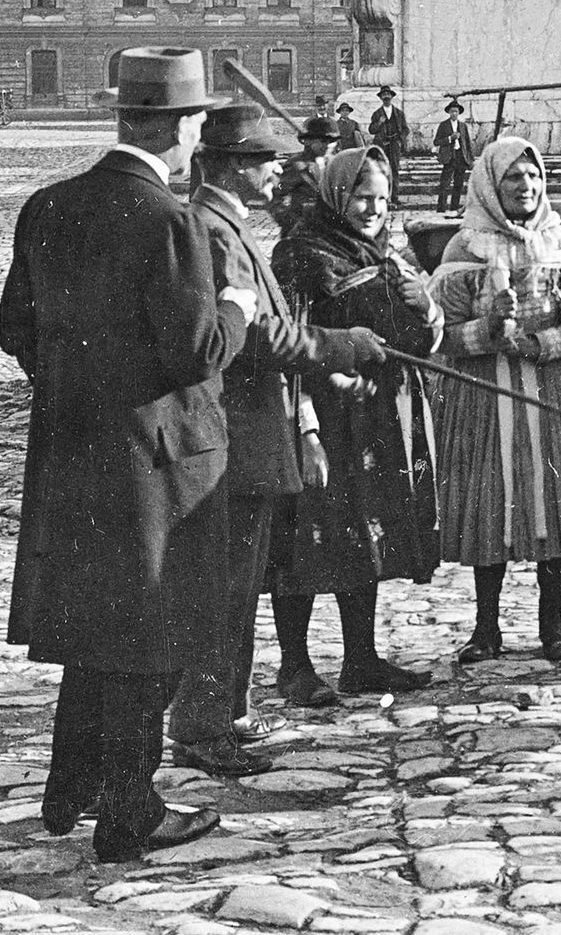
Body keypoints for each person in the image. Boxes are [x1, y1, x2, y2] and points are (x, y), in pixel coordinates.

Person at [0, 46, 256, 863]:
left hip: (71, 455)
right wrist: (239, 304)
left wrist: (75, 380)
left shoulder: (48, 205)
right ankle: (128, 809)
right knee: (151, 634)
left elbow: (15, 329)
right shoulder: (169, 219)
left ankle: (71, 781)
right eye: (197, 122)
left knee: (92, 624)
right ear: (179, 127)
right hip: (157, 466)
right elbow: (196, 352)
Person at [168, 105, 390, 776]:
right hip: (236, 438)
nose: (278, 170)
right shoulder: (214, 231)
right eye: (266, 159)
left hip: (257, 437)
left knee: (240, 588)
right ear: (235, 167)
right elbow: (257, 339)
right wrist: (340, 344)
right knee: (222, 592)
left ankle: (228, 713)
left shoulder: (232, 226)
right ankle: (203, 727)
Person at [429, 138, 561, 664]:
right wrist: (488, 328)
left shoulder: (559, 241)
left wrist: (540, 343)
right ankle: (485, 628)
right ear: (490, 187)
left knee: (553, 502)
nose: (526, 187)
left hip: (551, 389)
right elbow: (442, 333)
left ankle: (553, 624)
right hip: (485, 397)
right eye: (513, 179)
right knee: (490, 506)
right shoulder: (464, 249)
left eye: (533, 177)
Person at [267, 145, 442, 706]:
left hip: (372, 419)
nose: (373, 209)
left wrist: (427, 306)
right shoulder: (301, 255)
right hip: (322, 421)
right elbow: (287, 350)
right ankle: (294, 666)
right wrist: (306, 428)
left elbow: (415, 338)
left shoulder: (385, 253)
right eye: (363, 197)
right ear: (338, 194)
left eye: (382, 200)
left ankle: (360, 660)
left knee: (362, 536)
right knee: (304, 539)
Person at [272, 116, 339, 237]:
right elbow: (275, 197)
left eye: (332, 141)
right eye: (323, 141)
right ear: (309, 141)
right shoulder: (296, 165)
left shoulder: (335, 163)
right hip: (300, 232)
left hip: (329, 231)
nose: (328, 145)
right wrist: (290, 222)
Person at [369, 86, 409, 206]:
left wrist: (400, 140)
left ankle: (395, 197)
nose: (386, 97)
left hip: (394, 145)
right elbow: (371, 130)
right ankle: (383, 198)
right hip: (382, 145)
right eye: (384, 95)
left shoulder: (399, 113)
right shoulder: (376, 114)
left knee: (394, 170)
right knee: (381, 170)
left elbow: (406, 129)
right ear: (381, 98)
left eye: (388, 95)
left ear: (391, 97)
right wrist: (379, 123)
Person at [434, 100, 475, 213]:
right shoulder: (443, 125)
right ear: (449, 112)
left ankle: (454, 208)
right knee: (444, 184)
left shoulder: (463, 126)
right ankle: (441, 209)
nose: (454, 114)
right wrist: (449, 138)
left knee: (458, 185)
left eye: (456, 112)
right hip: (449, 158)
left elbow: (467, 143)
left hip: (460, 158)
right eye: (452, 111)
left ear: (459, 113)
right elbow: (436, 142)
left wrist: (471, 160)